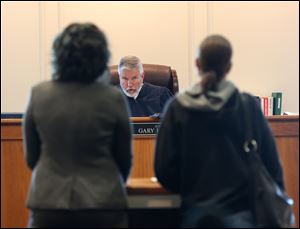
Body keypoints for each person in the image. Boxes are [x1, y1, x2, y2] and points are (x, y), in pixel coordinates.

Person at [154, 35, 285, 228]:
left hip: (194, 215)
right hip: (243, 216)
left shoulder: (177, 108)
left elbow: (163, 171)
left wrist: (188, 188)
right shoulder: (248, 106)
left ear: (197, 64)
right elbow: (272, 167)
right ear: (229, 67)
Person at [23, 23, 132, 228]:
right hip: (103, 204)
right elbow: (123, 159)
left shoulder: (38, 94)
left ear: (58, 57)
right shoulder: (113, 98)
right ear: (101, 58)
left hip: (49, 204)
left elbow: (32, 158)